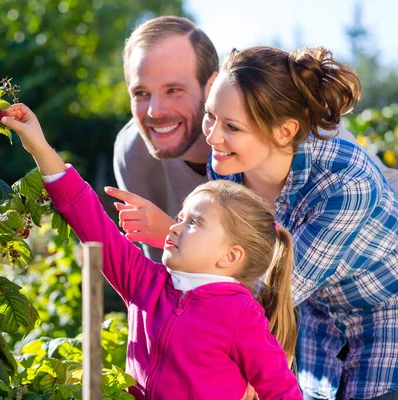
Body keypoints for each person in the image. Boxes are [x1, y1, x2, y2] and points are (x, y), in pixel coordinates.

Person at [117, 45, 398, 399]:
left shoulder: (346, 184)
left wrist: (171, 237)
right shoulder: (227, 165)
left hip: (384, 321)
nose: (213, 137)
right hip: (316, 326)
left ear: (284, 131)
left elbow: (268, 289)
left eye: (232, 126)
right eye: (210, 116)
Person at [0, 103, 302, 399]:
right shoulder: (144, 282)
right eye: (181, 217)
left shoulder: (240, 314)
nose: (175, 226)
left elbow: (282, 390)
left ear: (230, 256)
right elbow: (89, 220)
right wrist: (38, 146)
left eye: (194, 222)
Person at [113, 16, 398, 262]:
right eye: (140, 93)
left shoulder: (315, 143)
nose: (155, 111)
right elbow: (164, 275)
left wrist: (174, 233)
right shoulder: (135, 152)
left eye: (173, 89)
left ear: (212, 85)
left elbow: (276, 286)